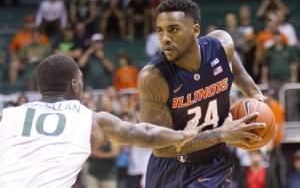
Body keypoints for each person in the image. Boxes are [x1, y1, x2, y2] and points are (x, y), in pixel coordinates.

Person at [0, 54, 202, 188]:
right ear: (74, 84)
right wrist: (183, 135)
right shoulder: (91, 119)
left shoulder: (9, 115)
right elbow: (147, 134)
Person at [137, 0, 266, 187]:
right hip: (172, 167)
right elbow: (161, 147)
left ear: (195, 30)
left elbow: (235, 67)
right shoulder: (154, 77)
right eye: (160, 31)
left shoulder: (222, 46)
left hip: (215, 164)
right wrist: (221, 134)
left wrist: (255, 93)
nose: (165, 38)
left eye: (173, 29)